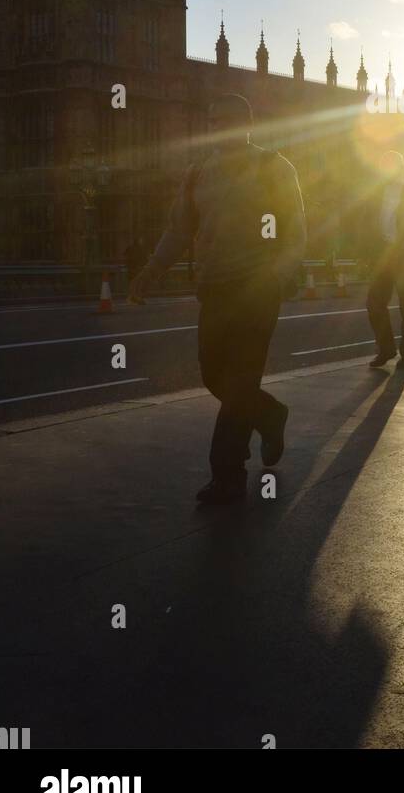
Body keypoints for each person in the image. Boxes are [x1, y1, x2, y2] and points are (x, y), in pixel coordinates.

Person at [128, 94, 306, 505]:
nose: (217, 127)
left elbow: (294, 231)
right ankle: (270, 414)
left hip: (257, 288)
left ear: (246, 124)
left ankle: (227, 475)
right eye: (212, 121)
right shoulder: (197, 174)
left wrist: (275, 275)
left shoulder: (273, 167)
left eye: (225, 119)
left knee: (241, 381)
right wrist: (150, 271)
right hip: (215, 288)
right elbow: (178, 231)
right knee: (213, 376)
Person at [365, 151, 404, 374]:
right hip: (383, 253)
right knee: (374, 302)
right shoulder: (377, 192)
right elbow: (368, 222)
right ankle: (386, 348)